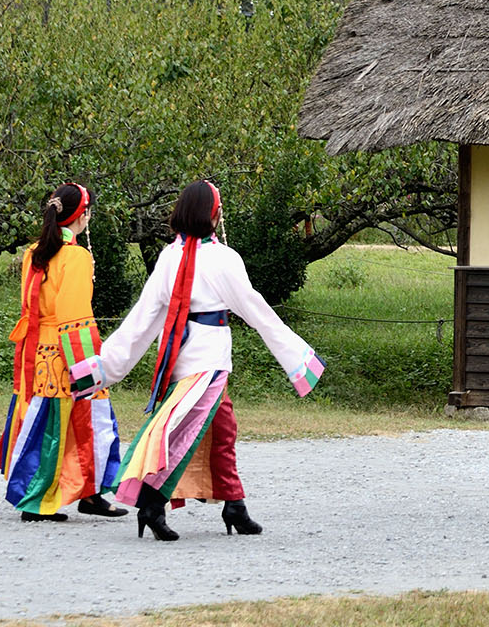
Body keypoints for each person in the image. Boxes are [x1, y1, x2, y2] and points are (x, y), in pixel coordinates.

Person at [86, 180, 324, 541]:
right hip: (208, 359)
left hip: (180, 355)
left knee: (223, 429)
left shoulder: (170, 255)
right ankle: (151, 503)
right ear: (214, 214)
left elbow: (143, 317)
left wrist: (107, 364)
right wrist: (298, 359)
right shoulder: (223, 258)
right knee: (180, 431)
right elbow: (255, 309)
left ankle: (235, 505)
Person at [0, 183, 127, 522]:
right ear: (83, 216)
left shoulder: (34, 251)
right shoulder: (76, 256)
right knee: (72, 424)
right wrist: (87, 360)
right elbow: (74, 313)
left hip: (37, 349)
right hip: (67, 350)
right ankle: (37, 500)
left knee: (76, 422)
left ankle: (91, 493)